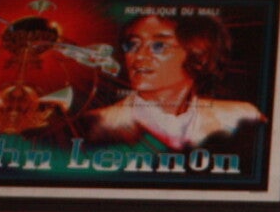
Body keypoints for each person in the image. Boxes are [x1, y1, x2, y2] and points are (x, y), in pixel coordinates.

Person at [82, 12, 265, 151]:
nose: (139, 56)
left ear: (199, 57)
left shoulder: (242, 117)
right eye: (132, 45)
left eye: (159, 46)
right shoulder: (93, 124)